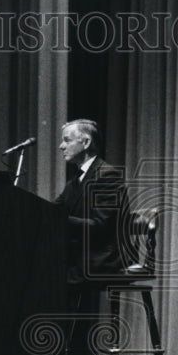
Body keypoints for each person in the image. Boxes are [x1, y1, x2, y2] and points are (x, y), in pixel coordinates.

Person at [54, 119, 130, 318]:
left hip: (102, 259)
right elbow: (53, 211)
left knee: (44, 277)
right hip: (82, 256)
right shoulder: (74, 182)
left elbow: (101, 226)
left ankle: (56, 342)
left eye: (67, 140)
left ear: (86, 142)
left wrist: (59, 220)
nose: (61, 146)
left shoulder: (108, 175)